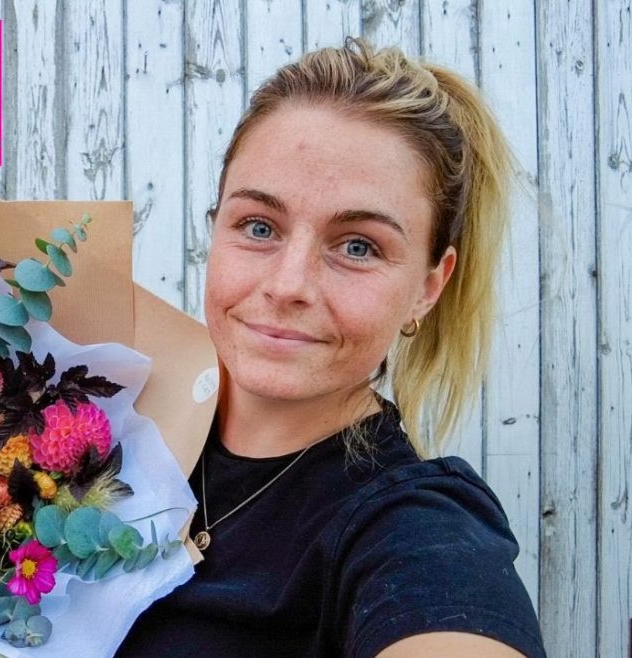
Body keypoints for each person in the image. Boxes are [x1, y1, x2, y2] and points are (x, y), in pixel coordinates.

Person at [116, 38, 545, 657]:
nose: (288, 285)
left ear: (428, 287)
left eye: (358, 246)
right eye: (259, 227)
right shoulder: (106, 428)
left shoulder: (414, 529)